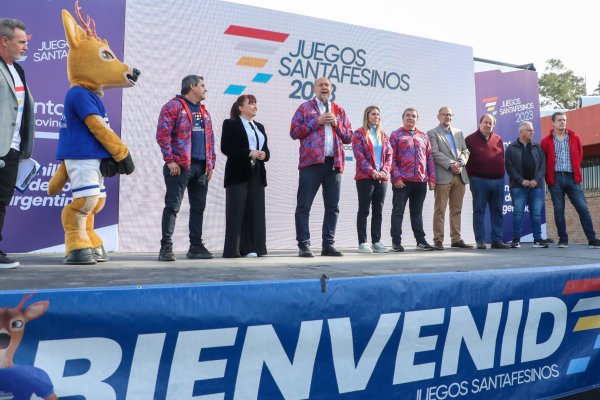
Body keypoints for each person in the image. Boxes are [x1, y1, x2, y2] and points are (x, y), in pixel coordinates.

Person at [290, 77, 353, 257]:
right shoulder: (305, 108)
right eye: (320, 85)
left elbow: (349, 137)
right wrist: (315, 122)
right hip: (311, 163)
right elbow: (294, 132)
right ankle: (304, 244)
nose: (324, 87)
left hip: (334, 164)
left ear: (331, 89)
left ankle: (328, 244)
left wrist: (336, 124)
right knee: (304, 205)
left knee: (332, 206)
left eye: (327, 85)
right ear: (314, 89)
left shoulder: (338, 110)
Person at [155, 75, 216, 261]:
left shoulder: (204, 112)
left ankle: (195, 246)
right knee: (173, 205)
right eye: (202, 85)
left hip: (201, 167)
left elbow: (211, 139)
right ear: (191, 86)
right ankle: (166, 246)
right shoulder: (173, 106)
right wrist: (170, 160)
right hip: (180, 167)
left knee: (198, 208)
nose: (206, 89)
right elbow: (162, 134)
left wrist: (210, 164)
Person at [0, 19, 34, 269]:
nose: (25, 46)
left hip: (12, 148)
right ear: (4, 41)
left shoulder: (19, 71)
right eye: (21, 42)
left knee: (2, 200)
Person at [540, 112, 600, 248]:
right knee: (559, 209)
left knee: (583, 208)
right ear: (553, 123)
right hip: (555, 178)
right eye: (560, 120)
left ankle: (592, 239)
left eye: (564, 120)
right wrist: (547, 178)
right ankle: (563, 239)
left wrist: (576, 173)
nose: (563, 122)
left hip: (573, 178)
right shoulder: (546, 141)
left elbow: (579, 156)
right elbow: (543, 160)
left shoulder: (575, 137)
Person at [221, 94, 269, 258]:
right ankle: (233, 250)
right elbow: (226, 148)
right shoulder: (231, 124)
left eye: (256, 103)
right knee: (237, 211)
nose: (255, 106)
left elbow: (266, 151)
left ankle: (254, 248)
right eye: (251, 103)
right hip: (238, 173)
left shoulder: (259, 126)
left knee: (256, 211)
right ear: (241, 107)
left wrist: (263, 154)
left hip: (257, 173)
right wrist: (248, 153)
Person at [389, 108, 436, 252]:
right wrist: (396, 177)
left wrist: (432, 178)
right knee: (398, 212)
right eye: (408, 115)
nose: (410, 118)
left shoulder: (423, 136)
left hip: (420, 181)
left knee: (417, 213)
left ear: (417, 119)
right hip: (402, 181)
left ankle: (421, 241)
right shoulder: (396, 135)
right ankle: (396, 242)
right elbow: (391, 158)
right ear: (403, 118)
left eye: (413, 116)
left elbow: (429, 159)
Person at [427, 106, 472, 250]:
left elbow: (465, 151)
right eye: (445, 115)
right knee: (440, 209)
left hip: (460, 176)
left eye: (450, 115)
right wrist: (451, 163)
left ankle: (456, 239)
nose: (448, 117)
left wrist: (461, 162)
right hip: (443, 176)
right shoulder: (432, 133)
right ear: (438, 117)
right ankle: (438, 239)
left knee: (456, 209)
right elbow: (434, 152)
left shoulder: (459, 132)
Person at [465, 114, 510, 249]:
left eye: (491, 123)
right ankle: (480, 241)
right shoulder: (469, 139)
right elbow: (465, 158)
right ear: (480, 123)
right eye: (486, 122)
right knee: (479, 210)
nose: (488, 125)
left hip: (498, 181)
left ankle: (497, 240)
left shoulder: (498, 139)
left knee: (497, 211)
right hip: (478, 180)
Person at [352, 106, 392, 253]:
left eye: (378, 114)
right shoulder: (359, 134)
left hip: (382, 178)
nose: (376, 117)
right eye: (373, 114)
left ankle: (376, 241)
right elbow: (359, 156)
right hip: (365, 178)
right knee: (364, 209)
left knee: (378, 210)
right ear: (367, 116)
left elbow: (389, 156)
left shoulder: (384, 135)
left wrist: (384, 171)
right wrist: (372, 171)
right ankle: (362, 242)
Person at [505, 121, 547, 248]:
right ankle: (516, 240)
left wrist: (536, 179)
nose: (532, 132)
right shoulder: (511, 147)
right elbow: (509, 167)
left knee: (536, 213)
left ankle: (538, 240)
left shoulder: (537, 147)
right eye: (529, 130)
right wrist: (521, 180)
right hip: (518, 186)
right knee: (518, 212)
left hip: (536, 186)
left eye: (532, 130)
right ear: (521, 132)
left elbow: (542, 165)